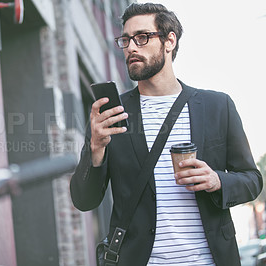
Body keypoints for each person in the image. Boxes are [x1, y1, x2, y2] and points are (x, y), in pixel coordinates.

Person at [70, 2, 263, 266]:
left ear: (169, 41)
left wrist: (217, 180)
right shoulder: (112, 114)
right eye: (126, 40)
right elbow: (84, 200)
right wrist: (95, 148)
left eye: (142, 37)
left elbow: (252, 180)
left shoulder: (217, 106)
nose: (132, 48)